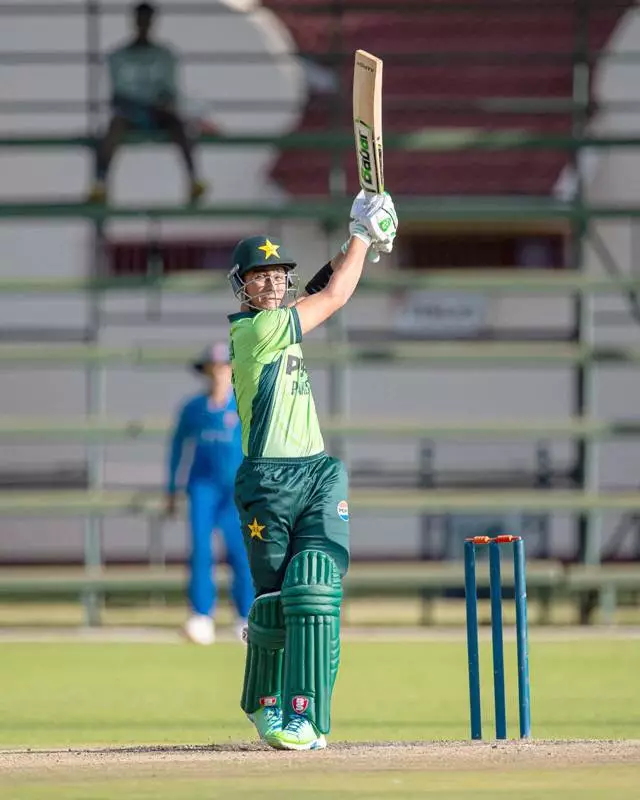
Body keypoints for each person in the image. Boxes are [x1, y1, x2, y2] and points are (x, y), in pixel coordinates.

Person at [227, 191, 397, 750]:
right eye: (261, 276)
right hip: (268, 483)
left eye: (279, 275)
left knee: (315, 590)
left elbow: (327, 284)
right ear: (243, 286)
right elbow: (338, 294)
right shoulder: (255, 333)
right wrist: (363, 235)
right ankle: (265, 704)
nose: (273, 284)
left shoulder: (283, 320)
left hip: (317, 473)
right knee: (275, 604)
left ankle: (309, 717)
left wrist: (361, 242)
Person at [166, 342, 254, 645]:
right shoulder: (193, 409)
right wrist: (171, 490)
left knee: (241, 554)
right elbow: (178, 449)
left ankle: (245, 617)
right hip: (203, 488)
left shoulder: (244, 404)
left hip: (236, 493)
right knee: (201, 552)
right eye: (213, 368)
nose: (219, 374)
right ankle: (201, 616)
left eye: (225, 367)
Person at [89, 2, 207, 205]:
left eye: (147, 20)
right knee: (113, 128)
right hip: (130, 113)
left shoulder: (164, 55)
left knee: (179, 126)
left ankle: (194, 180)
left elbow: (170, 92)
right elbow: (117, 95)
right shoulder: (118, 56)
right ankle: (100, 183)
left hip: (157, 113)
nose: (144, 24)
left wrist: (160, 104)